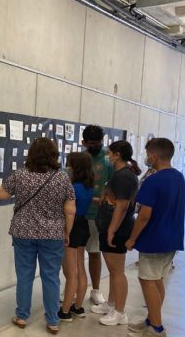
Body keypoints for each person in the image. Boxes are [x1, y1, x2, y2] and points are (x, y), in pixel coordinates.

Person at [0, 138, 75, 334]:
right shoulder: (62, 178)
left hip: (23, 233)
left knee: (24, 275)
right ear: (54, 155)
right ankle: (53, 320)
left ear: (32, 154)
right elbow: (70, 210)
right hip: (52, 235)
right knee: (51, 277)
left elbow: (0, 193)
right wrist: (66, 232)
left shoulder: (21, 175)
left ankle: (22, 316)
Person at [125, 138, 185, 337]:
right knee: (157, 279)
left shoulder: (154, 180)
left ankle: (157, 329)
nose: (146, 157)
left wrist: (132, 238)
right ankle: (152, 320)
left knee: (148, 280)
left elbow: (144, 215)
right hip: (172, 237)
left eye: (147, 154)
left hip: (154, 238)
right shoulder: (178, 177)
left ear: (154, 156)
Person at [91, 140, 140, 325]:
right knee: (112, 270)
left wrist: (112, 230)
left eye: (109, 152)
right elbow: (112, 200)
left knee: (117, 271)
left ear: (117, 155)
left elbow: (122, 205)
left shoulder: (124, 176)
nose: (107, 156)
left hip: (117, 230)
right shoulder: (119, 174)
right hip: (108, 226)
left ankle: (119, 312)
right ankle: (111, 304)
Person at [58, 153, 94, 322]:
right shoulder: (88, 186)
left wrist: (66, 231)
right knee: (80, 268)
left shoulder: (73, 187)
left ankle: (65, 310)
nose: (67, 167)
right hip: (84, 225)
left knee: (72, 272)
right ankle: (78, 306)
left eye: (69, 164)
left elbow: (68, 211)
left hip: (72, 226)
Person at [82, 125, 113, 306]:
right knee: (74, 254)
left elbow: (114, 188)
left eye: (98, 142)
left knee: (94, 252)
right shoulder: (79, 159)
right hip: (78, 213)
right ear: (84, 142)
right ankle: (74, 287)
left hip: (97, 215)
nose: (95, 146)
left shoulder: (109, 160)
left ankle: (95, 290)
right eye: (91, 143)